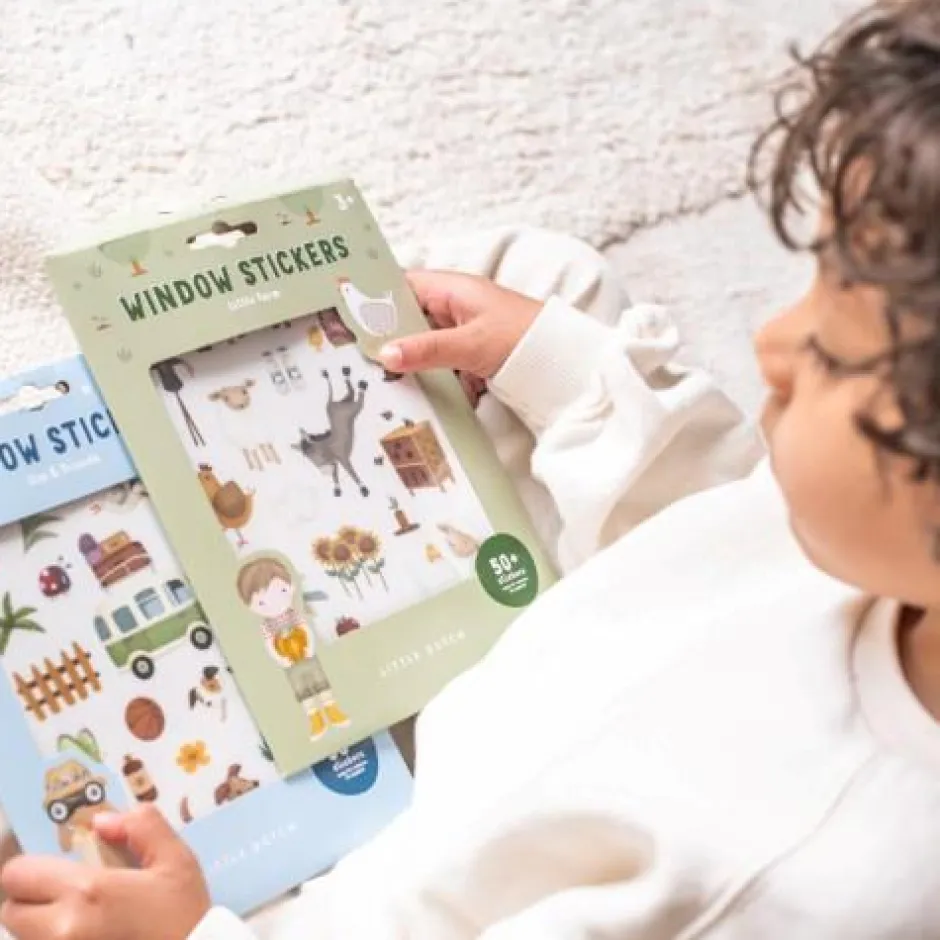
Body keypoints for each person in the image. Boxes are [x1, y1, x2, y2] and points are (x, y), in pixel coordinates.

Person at [5, 1, 940, 936]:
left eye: (833, 350)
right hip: (531, 670)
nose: (770, 340)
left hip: (381, 883)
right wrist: (552, 366)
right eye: (819, 281)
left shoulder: (795, 884)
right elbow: (698, 535)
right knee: (541, 277)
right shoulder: (850, 542)